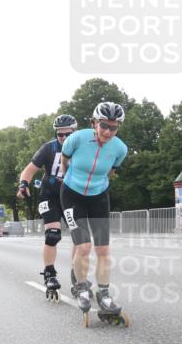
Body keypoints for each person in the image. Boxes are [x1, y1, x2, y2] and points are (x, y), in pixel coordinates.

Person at [59, 101, 128, 318]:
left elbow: (111, 171)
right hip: (71, 194)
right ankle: (81, 287)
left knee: (103, 250)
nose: (108, 131)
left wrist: (98, 184)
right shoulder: (77, 138)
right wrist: (68, 178)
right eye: (104, 125)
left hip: (98, 197)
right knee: (84, 246)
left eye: (113, 127)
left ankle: (104, 294)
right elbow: (64, 159)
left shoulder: (120, 149)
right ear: (94, 122)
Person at [16, 114, 78, 301]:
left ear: (75, 133)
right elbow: (29, 170)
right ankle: (49, 273)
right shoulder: (49, 148)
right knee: (52, 234)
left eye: (68, 135)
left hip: (72, 195)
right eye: (60, 135)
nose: (64, 138)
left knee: (80, 237)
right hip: (50, 194)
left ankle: (78, 275)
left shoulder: (83, 148)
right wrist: (23, 185)